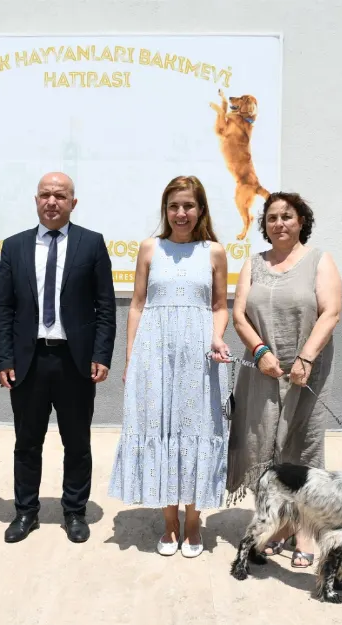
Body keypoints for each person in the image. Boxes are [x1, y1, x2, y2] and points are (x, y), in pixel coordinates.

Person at [108, 175, 231, 558]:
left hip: (199, 356)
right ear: (165, 210)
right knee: (159, 428)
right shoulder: (150, 248)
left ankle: (192, 521)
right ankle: (169, 521)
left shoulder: (214, 252)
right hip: (154, 355)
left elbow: (219, 306)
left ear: (200, 209)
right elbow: (137, 305)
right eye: (174, 206)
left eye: (188, 206)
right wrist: (131, 359)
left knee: (196, 430)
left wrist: (217, 336)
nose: (181, 213)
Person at [0, 172, 116, 544]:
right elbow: (3, 307)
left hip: (74, 362)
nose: (52, 201)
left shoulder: (91, 243)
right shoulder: (14, 246)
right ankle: (25, 512)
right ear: (36, 200)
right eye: (45, 194)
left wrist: (101, 354)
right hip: (28, 362)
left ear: (72, 203)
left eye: (60, 195)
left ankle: (75, 512)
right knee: (26, 443)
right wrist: (4, 358)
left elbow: (105, 306)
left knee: (77, 443)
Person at [225, 191, 342, 568]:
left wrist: (305, 358)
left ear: (301, 221)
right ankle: (279, 523)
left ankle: (305, 529)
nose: (279, 223)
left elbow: (331, 312)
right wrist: (260, 351)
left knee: (303, 447)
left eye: (287, 216)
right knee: (264, 445)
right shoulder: (253, 264)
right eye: (272, 217)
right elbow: (239, 315)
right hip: (262, 371)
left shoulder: (319, 260)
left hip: (305, 372)